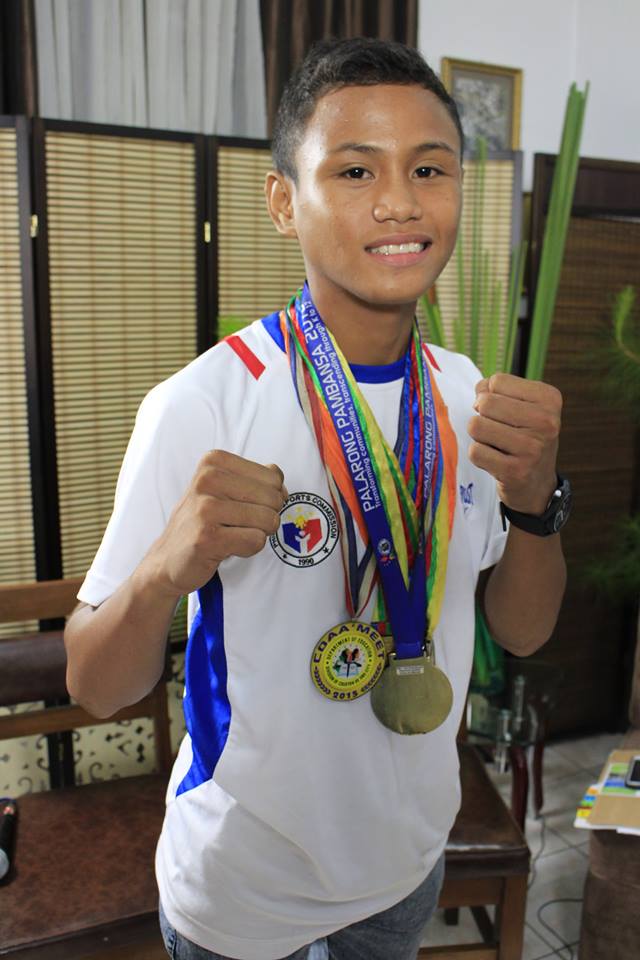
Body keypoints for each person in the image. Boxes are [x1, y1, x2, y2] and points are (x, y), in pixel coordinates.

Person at [64, 37, 568, 960]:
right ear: (284, 204)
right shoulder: (205, 404)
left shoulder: (473, 399)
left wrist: (536, 503)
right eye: (353, 169)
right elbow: (95, 685)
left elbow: (526, 632)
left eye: (428, 167)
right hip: (242, 892)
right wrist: (166, 570)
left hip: (407, 870)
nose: (399, 202)